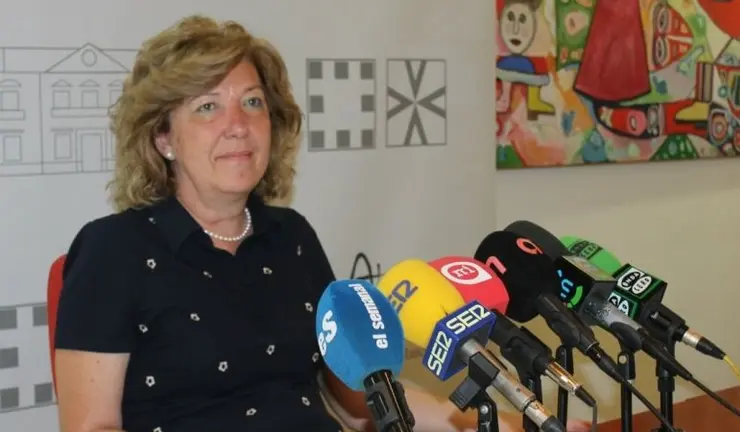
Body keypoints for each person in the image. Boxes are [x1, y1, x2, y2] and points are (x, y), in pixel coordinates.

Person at [53, 14, 592, 432]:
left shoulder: (290, 238)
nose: (238, 125)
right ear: (163, 138)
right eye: (208, 107)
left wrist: (507, 424)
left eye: (252, 102)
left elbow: (363, 399)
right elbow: (91, 426)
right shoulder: (113, 251)